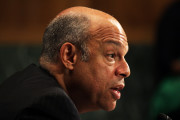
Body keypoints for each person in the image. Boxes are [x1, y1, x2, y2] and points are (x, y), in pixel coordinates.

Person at [0, 6, 130, 120]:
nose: (126, 70)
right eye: (111, 55)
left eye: (124, 57)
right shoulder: (48, 107)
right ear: (69, 56)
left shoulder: (22, 84)